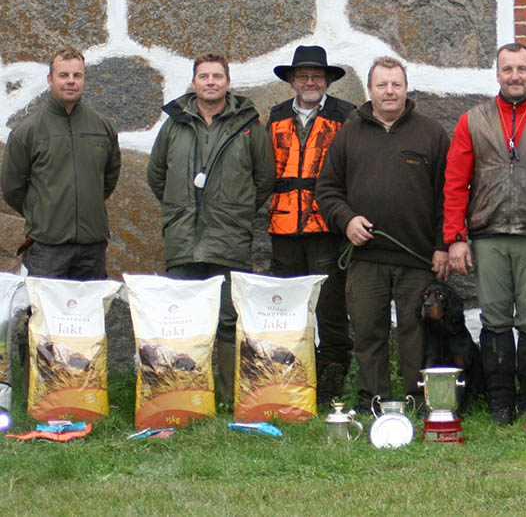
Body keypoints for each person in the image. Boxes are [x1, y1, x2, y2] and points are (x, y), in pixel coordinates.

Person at [443, 42, 526, 426]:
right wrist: (455, 236)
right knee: (495, 320)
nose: (515, 76)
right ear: (497, 74)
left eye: (521, 69)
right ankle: (500, 401)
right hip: (488, 235)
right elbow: (455, 182)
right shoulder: (473, 120)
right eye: (507, 70)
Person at [314, 56, 450, 413]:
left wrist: (442, 247)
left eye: (396, 84)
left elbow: (446, 196)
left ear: (406, 89)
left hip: (417, 258)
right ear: (369, 90)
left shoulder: (431, 134)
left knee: (414, 333)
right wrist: (346, 221)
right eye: (382, 85)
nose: (389, 91)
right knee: (368, 332)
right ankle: (370, 399)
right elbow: (327, 190)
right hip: (365, 257)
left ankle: (416, 398)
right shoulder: (348, 134)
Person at [146, 53, 274, 402]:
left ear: (228, 83)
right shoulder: (174, 125)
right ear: (194, 83)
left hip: (229, 238)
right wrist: (180, 209)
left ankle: (230, 396)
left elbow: (264, 180)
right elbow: (156, 175)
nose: (211, 82)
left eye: (217, 76)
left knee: (229, 320)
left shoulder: (249, 126)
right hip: (183, 237)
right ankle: (186, 395)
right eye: (204, 76)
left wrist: (237, 211)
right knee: (183, 319)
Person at [268, 45, 355, 406]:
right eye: (302, 76)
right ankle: (288, 383)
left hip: (327, 228)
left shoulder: (345, 116)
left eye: (316, 76)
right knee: (286, 310)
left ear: (327, 81)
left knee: (331, 311)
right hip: (283, 228)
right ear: (291, 81)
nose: (309, 82)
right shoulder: (273, 118)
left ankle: (331, 387)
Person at [2, 47, 120, 279]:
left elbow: (108, 178)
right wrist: (44, 215)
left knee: (89, 313)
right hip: (46, 248)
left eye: (77, 75)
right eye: (63, 75)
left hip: (92, 248)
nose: (71, 81)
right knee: (44, 315)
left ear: (84, 79)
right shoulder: (27, 131)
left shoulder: (102, 127)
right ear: (50, 80)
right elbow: (12, 188)